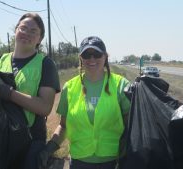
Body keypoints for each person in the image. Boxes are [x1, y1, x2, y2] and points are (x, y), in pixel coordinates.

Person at [38, 36, 131, 169]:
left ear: (105, 57)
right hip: (79, 162)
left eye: (97, 54)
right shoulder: (69, 87)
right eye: (87, 54)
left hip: (114, 161)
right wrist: (49, 148)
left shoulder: (121, 85)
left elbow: (131, 127)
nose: (92, 59)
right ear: (81, 58)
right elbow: (63, 126)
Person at [0, 13, 60, 169]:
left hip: (30, 141)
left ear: (40, 39)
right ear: (16, 30)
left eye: (33, 31)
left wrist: (9, 93)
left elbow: (45, 108)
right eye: (23, 28)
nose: (27, 33)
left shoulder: (45, 64)